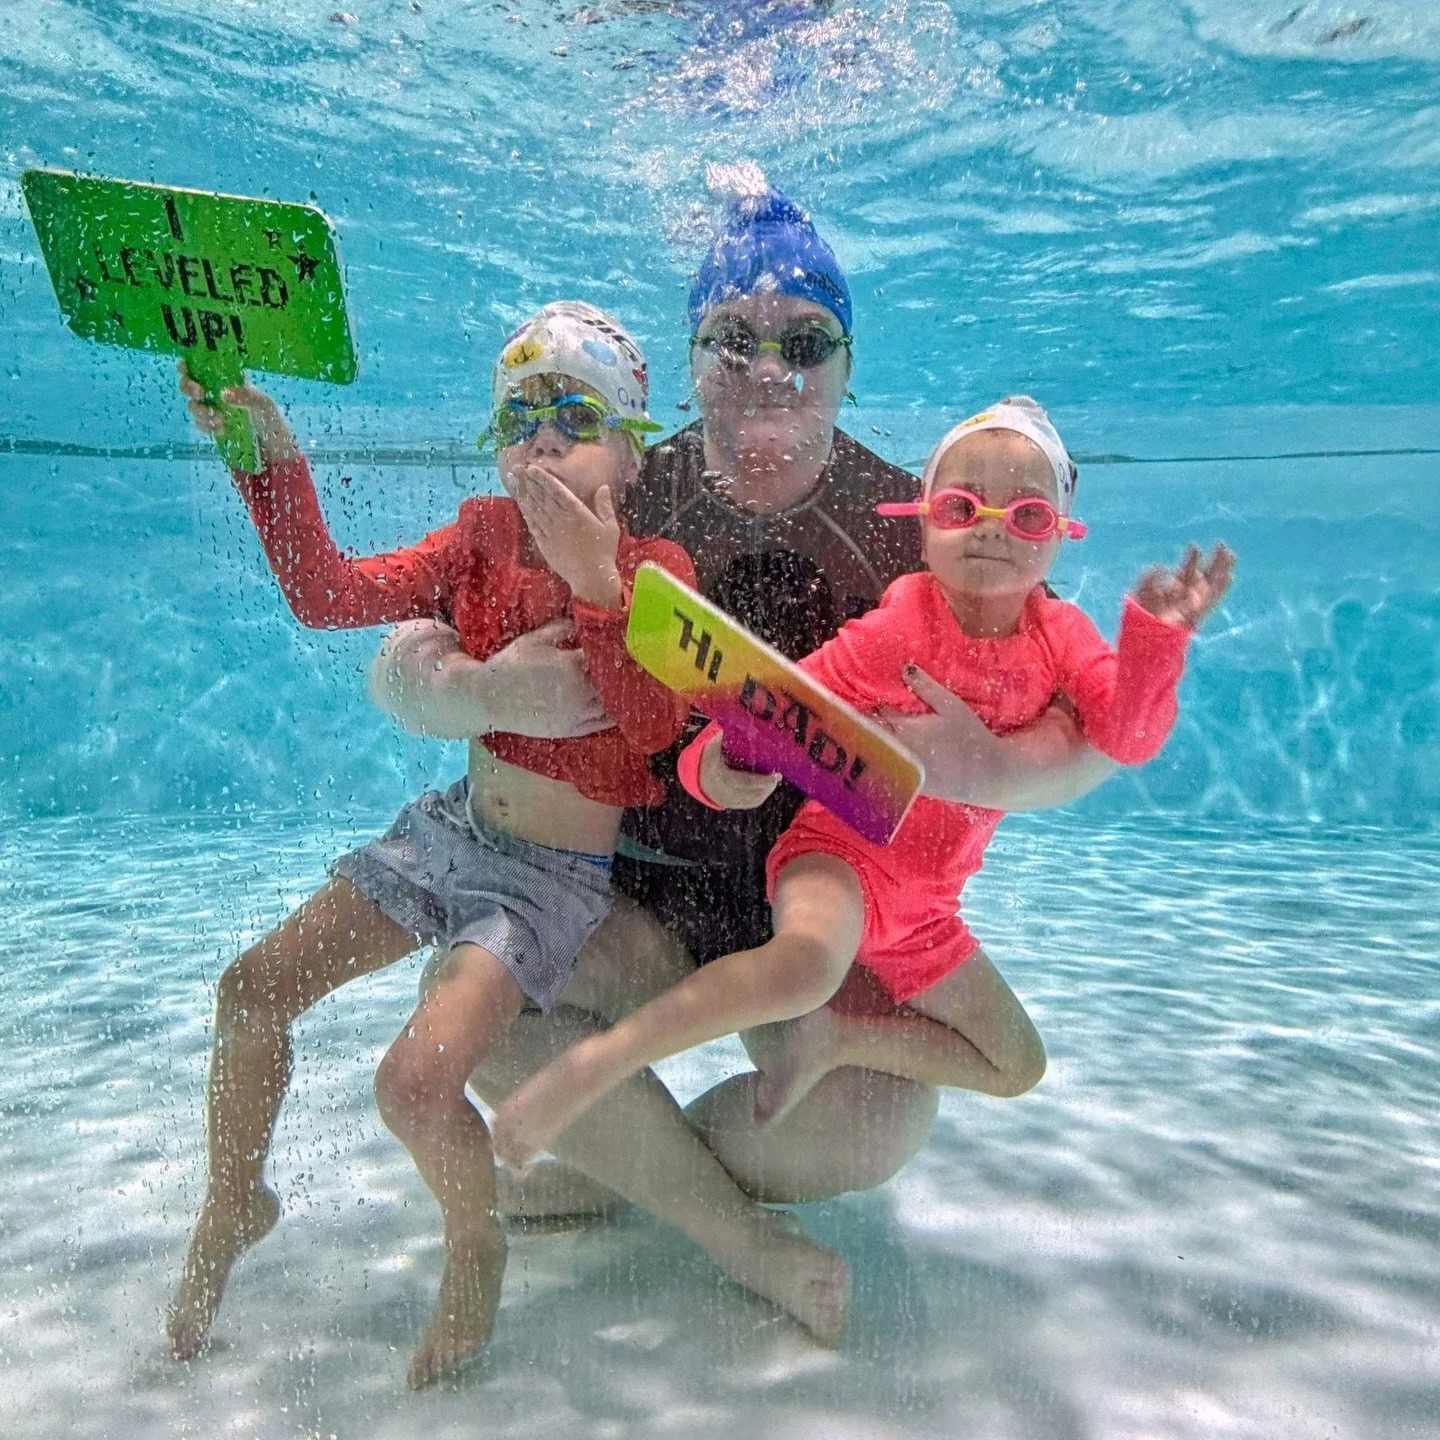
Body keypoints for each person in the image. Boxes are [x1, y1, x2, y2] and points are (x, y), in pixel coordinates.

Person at [371, 188, 1117, 1242]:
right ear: (690, 361)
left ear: (848, 367)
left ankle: (611, 1165)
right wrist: (470, 693)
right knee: (479, 1004)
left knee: (875, 1126)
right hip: (623, 891)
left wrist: (989, 769)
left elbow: (1098, 733)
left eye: (805, 342)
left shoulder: (919, 528)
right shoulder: (609, 478)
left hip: (809, 909)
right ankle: (707, 1211)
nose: (770, 369)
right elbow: (400, 654)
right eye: (734, 340)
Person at [165, 303, 841, 1388]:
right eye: (517, 414)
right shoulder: (477, 534)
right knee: (250, 992)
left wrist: (594, 582)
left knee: (415, 1087)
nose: (538, 435)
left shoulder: (656, 570)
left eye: (572, 415)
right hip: (449, 834)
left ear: (630, 448)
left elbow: (652, 734)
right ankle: (233, 1198)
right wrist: (268, 457)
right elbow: (326, 593)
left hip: (548, 885)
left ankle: (476, 1245)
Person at [486, 397, 1235, 1166]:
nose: (990, 527)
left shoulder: (1061, 638)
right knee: (807, 966)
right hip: (839, 858)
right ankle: (593, 1066)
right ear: (922, 520)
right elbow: (768, 709)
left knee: (1017, 1064)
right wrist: (712, 766)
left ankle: (840, 1040)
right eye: (959, 505)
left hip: (927, 909)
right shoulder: (898, 630)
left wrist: (1156, 641)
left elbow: (1128, 736)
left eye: (1028, 516)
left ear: (1063, 533)